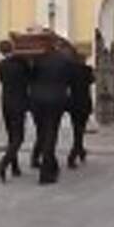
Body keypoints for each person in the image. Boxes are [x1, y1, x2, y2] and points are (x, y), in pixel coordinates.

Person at [29, 43, 73, 185]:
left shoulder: (37, 59)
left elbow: (30, 78)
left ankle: (51, 165)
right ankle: (46, 173)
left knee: (42, 133)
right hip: (55, 100)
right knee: (51, 135)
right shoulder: (64, 60)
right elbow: (70, 80)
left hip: (36, 101)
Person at [0, 40, 30, 182]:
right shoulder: (21, 64)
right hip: (19, 103)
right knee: (19, 138)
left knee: (11, 137)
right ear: (13, 48)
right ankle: (4, 163)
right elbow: (28, 77)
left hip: (6, 103)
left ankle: (15, 167)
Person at [67, 54, 95, 169]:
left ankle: (81, 151)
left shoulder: (70, 71)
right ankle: (73, 155)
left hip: (73, 104)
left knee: (77, 129)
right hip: (84, 103)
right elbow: (92, 80)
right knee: (80, 131)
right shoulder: (87, 70)